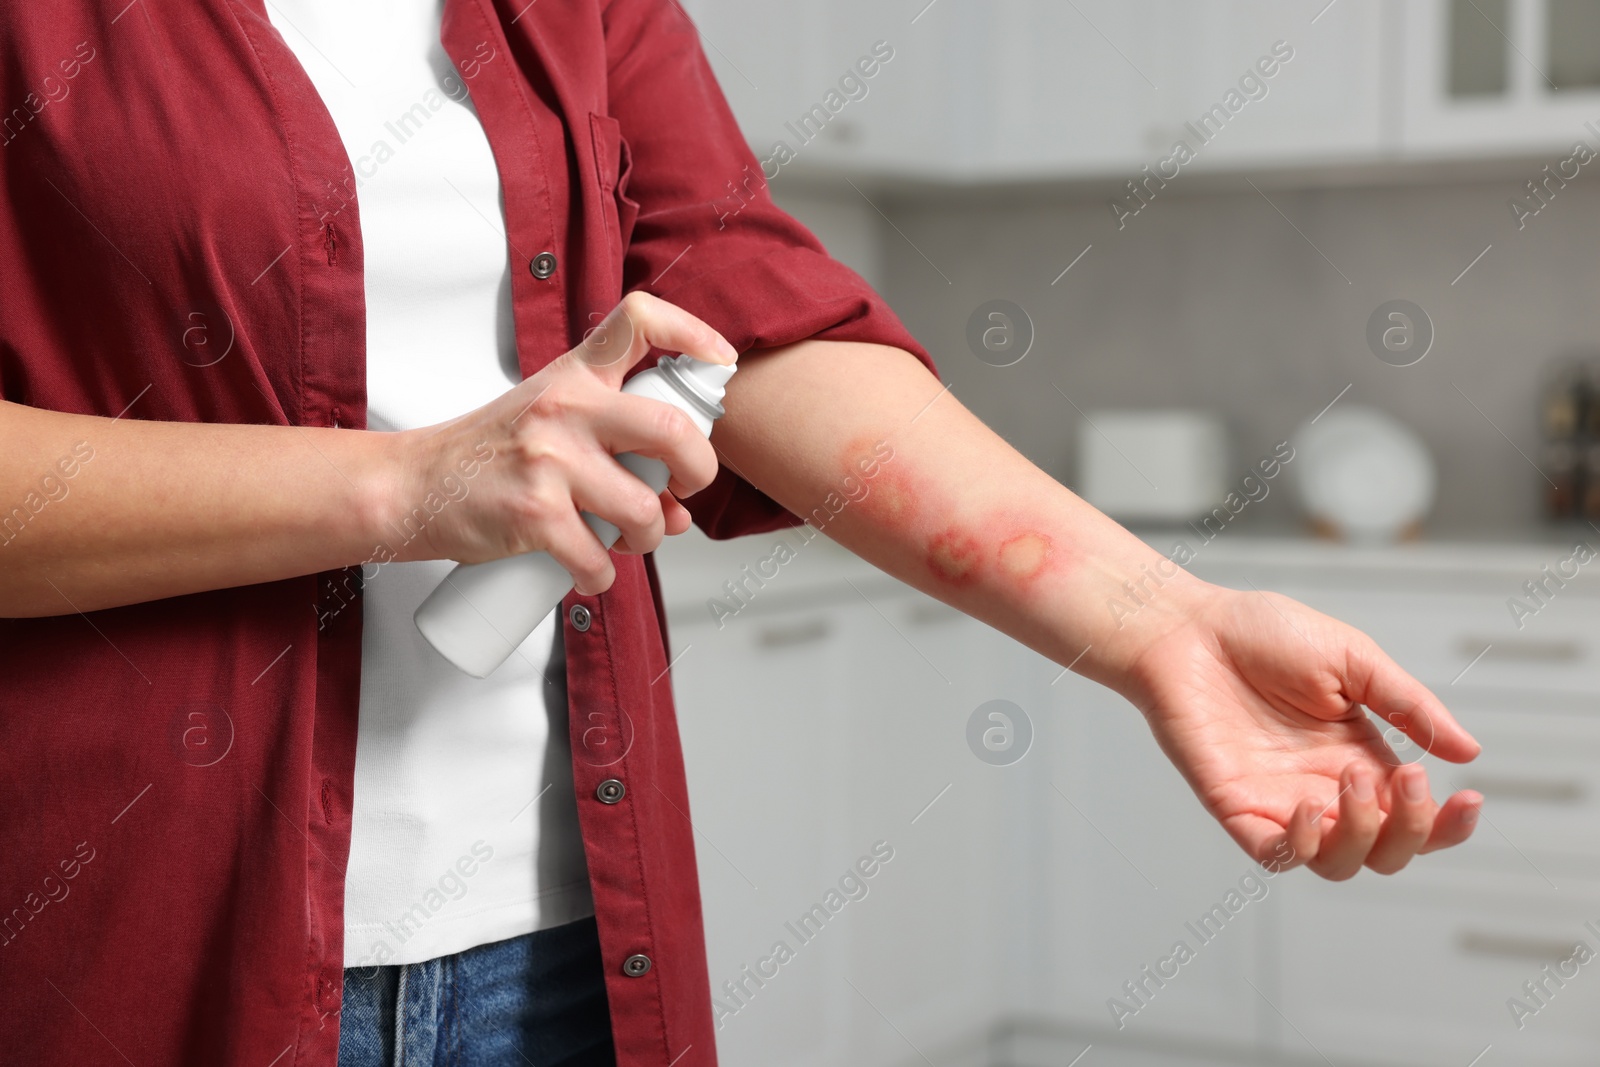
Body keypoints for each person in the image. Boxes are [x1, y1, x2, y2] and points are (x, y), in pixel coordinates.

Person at [0, 0, 1482, 1065]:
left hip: (554, 942)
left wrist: (1160, 622)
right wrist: (407, 487)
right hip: (124, 937)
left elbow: (745, 322)